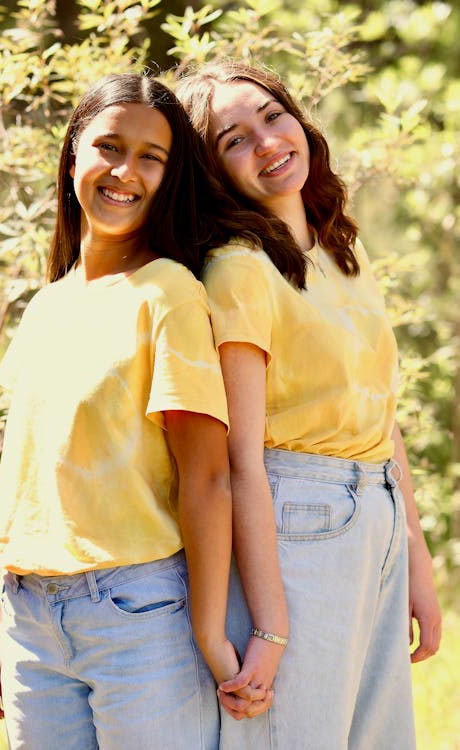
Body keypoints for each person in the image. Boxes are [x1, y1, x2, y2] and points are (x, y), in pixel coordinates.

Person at [0, 71, 268, 750]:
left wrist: (209, 635)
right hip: (30, 623)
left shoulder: (168, 294)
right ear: (74, 154)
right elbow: (36, 487)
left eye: (151, 157)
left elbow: (208, 478)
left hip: (137, 617)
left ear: (171, 176)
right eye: (108, 146)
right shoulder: (47, 305)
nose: (125, 170)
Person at [177, 60, 442, 749]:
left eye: (271, 116)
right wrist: (270, 626)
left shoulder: (340, 256)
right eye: (234, 140)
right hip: (300, 524)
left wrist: (416, 564)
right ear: (212, 171)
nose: (266, 142)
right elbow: (242, 461)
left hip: (375, 518)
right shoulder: (240, 270)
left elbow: (384, 420)